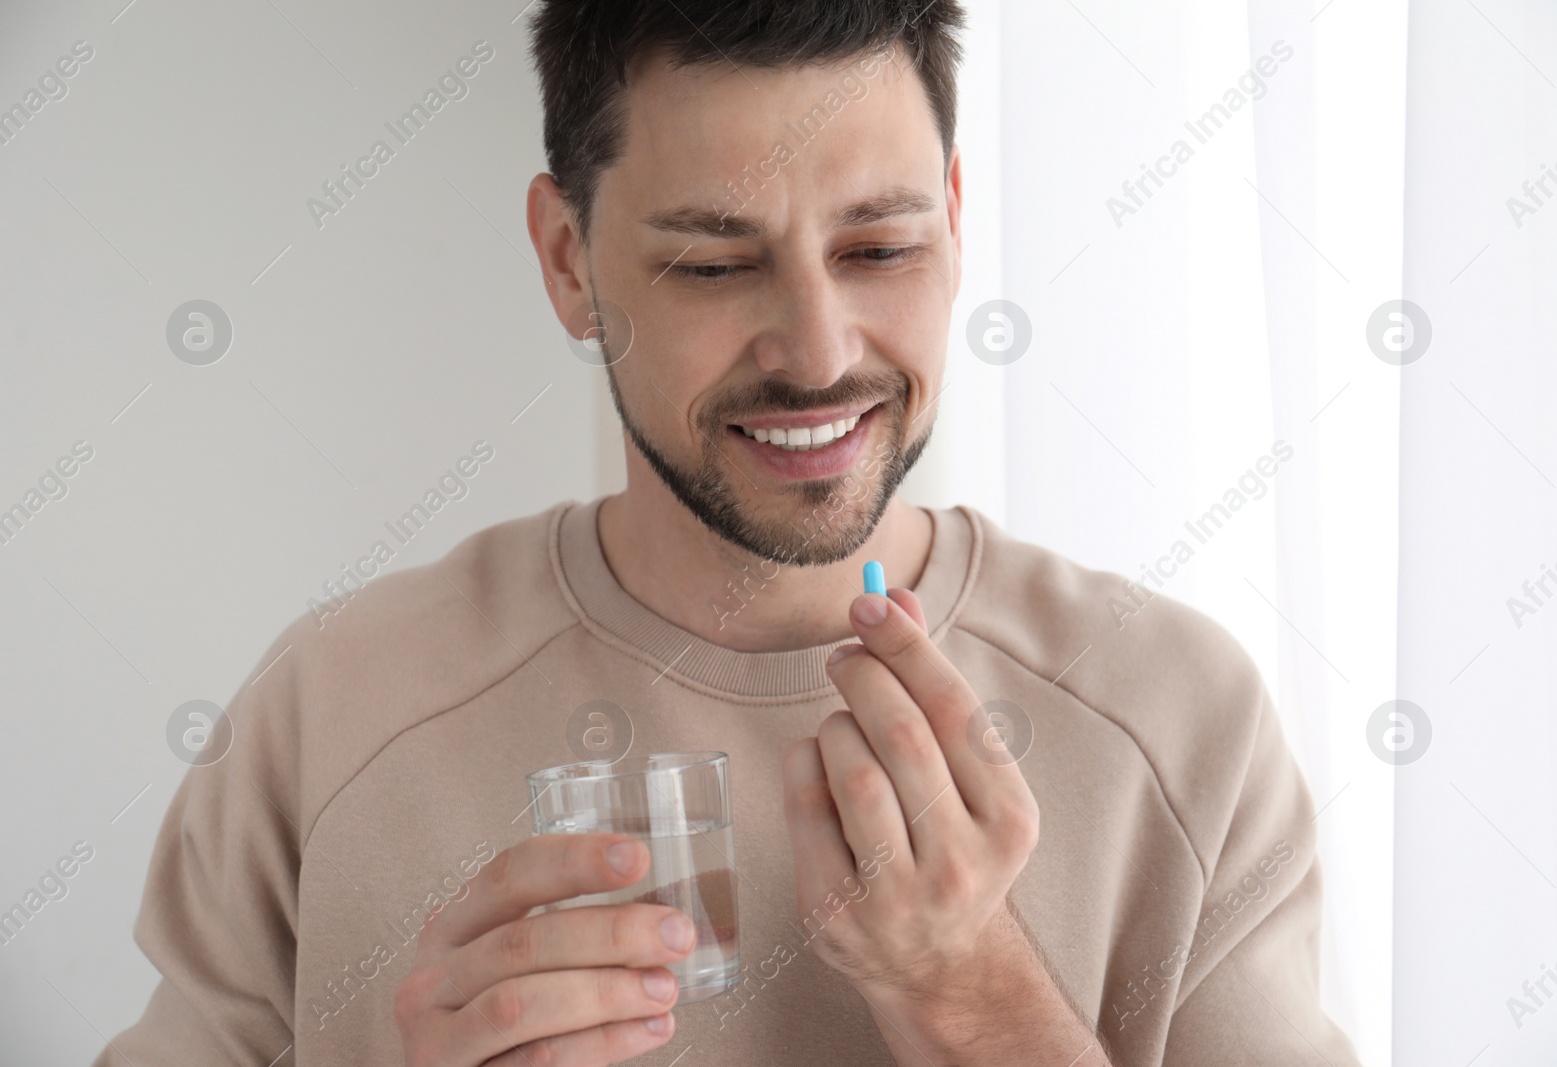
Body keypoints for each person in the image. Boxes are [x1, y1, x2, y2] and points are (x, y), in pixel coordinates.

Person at [96, 2, 1362, 1064]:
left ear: (959, 217)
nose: (818, 352)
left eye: (880, 245)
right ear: (567, 261)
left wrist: (976, 999)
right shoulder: (338, 707)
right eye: (711, 265)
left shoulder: (1178, 718)